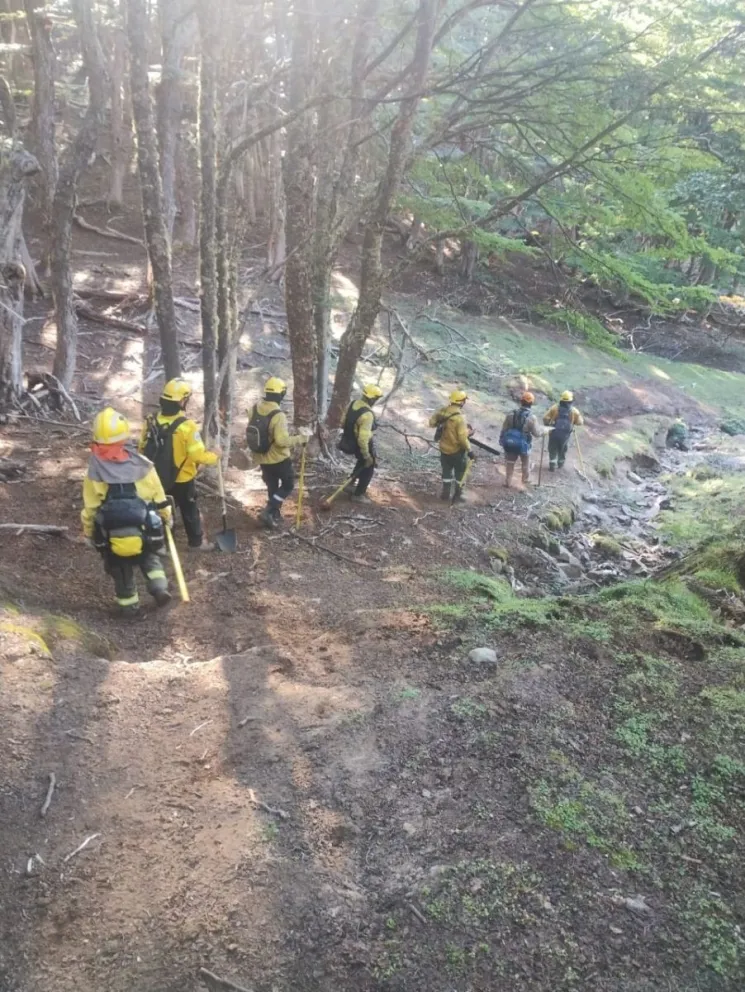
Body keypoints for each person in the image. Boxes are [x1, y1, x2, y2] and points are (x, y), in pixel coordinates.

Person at [82, 407, 173, 615]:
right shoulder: (144, 466)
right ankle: (159, 587)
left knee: (120, 569)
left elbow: (91, 508)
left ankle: (129, 606)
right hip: (143, 528)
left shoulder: (94, 472)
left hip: (112, 534)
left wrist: (89, 533)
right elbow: (158, 497)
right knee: (150, 558)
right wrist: (166, 517)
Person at [140, 378, 219, 551]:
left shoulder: (151, 420)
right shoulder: (187, 426)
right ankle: (196, 543)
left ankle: (162, 542)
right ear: (182, 401)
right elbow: (198, 455)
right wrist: (215, 455)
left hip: (156, 476)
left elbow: (141, 447)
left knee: (162, 508)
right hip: (182, 478)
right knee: (189, 509)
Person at [246, 376, 309, 529]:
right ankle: (268, 510)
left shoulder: (254, 408)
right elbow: (281, 441)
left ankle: (274, 514)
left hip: (261, 457)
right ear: (281, 394)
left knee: (272, 485)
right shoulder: (278, 415)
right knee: (288, 485)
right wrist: (300, 439)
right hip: (278, 459)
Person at [339, 384, 384, 503]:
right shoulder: (367, 415)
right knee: (368, 467)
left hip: (349, 441)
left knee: (361, 462)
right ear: (372, 399)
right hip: (362, 444)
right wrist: (367, 455)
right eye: (376, 399)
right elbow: (362, 439)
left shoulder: (353, 404)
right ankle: (358, 494)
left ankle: (349, 484)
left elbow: (342, 422)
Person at [429, 389, 474, 502]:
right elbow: (462, 438)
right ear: (461, 402)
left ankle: (445, 493)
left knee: (446, 471)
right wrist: (469, 450)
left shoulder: (443, 411)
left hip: (444, 448)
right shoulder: (460, 418)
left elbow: (431, 423)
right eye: (464, 400)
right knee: (460, 473)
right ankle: (458, 495)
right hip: (457, 451)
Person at [499, 391, 544, 488]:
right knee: (525, 463)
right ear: (531, 403)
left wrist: (501, 440)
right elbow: (537, 433)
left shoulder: (511, 414)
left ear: (521, 401)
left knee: (510, 462)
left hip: (510, 443)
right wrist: (543, 432)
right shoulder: (532, 418)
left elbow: (504, 429)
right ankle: (524, 481)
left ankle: (508, 482)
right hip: (524, 444)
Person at [543, 390, 584, 471]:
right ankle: (560, 463)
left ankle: (552, 465)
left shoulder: (554, 408)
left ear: (561, 399)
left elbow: (545, 418)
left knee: (552, 448)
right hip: (565, 435)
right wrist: (573, 422)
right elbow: (580, 422)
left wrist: (548, 424)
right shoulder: (574, 411)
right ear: (571, 400)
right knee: (563, 449)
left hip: (553, 433)